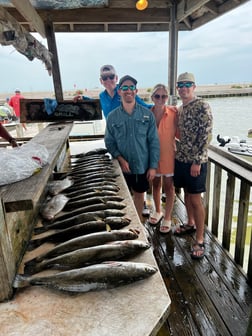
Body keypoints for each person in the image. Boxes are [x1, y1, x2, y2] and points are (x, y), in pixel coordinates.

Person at [75, 65, 152, 216]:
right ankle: (128, 206)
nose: (108, 80)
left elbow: (146, 107)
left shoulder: (125, 92)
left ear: (116, 78)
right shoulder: (103, 96)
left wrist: (164, 108)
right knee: (122, 176)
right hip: (115, 142)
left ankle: (141, 203)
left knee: (136, 175)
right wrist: (82, 99)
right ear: (101, 81)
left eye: (111, 76)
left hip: (132, 141)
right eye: (105, 77)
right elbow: (96, 104)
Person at [105, 75, 160, 220]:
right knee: (120, 198)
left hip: (142, 165)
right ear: (119, 91)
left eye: (131, 87)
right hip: (121, 166)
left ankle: (139, 226)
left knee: (139, 196)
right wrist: (120, 159)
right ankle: (124, 226)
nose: (128, 90)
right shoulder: (112, 117)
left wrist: (153, 167)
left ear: (136, 91)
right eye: (124, 87)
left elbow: (154, 142)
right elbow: (109, 142)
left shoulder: (147, 115)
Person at [173, 72, 213, 259]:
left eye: (187, 84)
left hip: (196, 163)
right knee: (187, 194)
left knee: (196, 199)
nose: (183, 88)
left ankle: (199, 238)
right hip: (181, 159)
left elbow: (206, 136)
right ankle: (189, 223)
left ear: (194, 87)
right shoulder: (180, 109)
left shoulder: (203, 106)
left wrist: (197, 161)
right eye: (180, 85)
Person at [148, 84, 178, 233]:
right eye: (157, 96)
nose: (160, 99)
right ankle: (157, 210)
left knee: (169, 187)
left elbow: (182, 131)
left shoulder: (174, 112)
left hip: (169, 156)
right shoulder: (147, 113)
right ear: (152, 97)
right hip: (153, 157)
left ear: (167, 98)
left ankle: (167, 217)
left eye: (163, 96)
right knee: (155, 185)